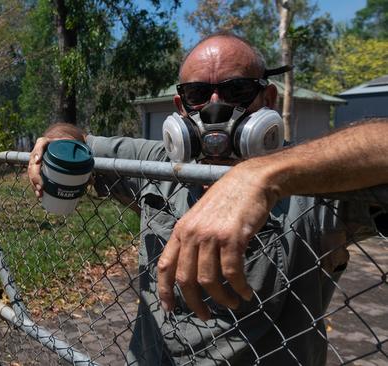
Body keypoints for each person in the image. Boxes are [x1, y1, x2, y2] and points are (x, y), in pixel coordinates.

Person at [28, 32, 388, 365]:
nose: (215, 108)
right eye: (198, 95)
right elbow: (77, 136)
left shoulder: (314, 184)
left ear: (269, 98)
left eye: (236, 91)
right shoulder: (159, 165)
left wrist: (262, 176)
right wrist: (56, 139)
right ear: (181, 106)